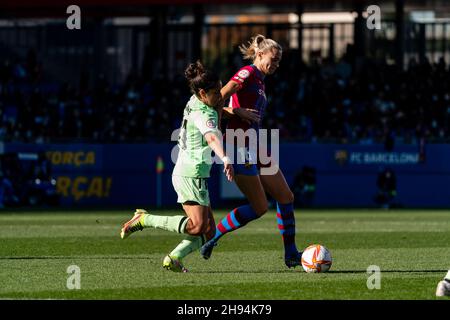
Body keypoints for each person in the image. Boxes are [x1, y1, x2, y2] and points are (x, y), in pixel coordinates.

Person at [120, 61, 234, 272]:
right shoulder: (205, 114)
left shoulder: (194, 101)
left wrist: (232, 112)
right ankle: (144, 219)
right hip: (191, 174)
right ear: (202, 93)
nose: (220, 95)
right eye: (216, 92)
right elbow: (211, 137)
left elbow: (217, 112)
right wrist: (225, 158)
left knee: (209, 233)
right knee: (198, 226)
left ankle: (174, 258)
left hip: (189, 170)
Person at [200, 34, 303, 268]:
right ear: (259, 54)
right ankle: (212, 238)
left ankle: (290, 253)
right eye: (273, 59)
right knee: (259, 208)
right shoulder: (246, 73)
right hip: (237, 145)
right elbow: (214, 102)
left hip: (255, 143)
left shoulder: (260, 80)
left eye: (278, 62)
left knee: (286, 197)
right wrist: (237, 112)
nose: (275, 65)